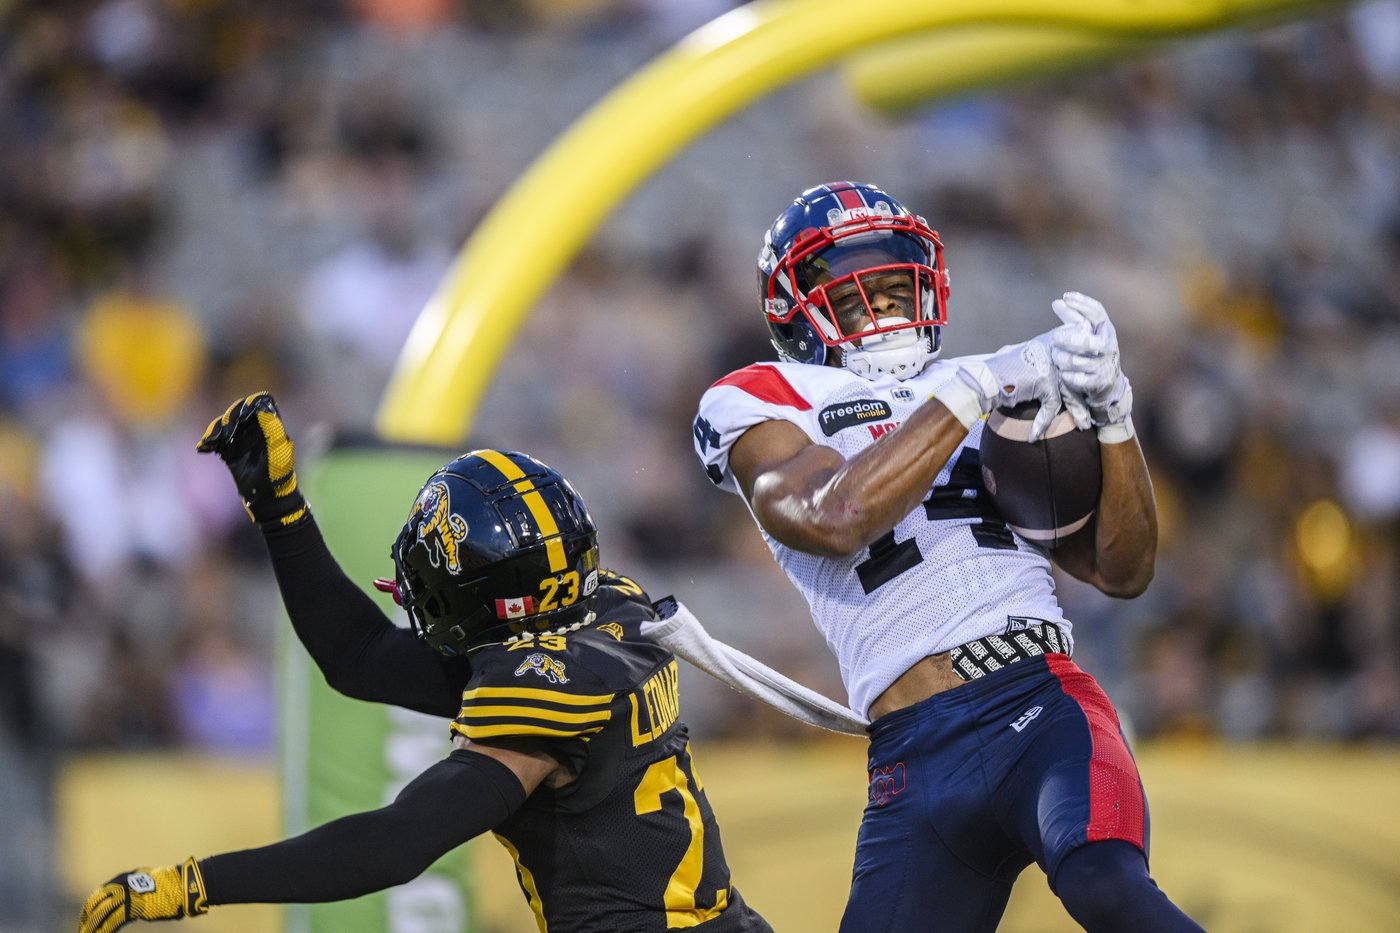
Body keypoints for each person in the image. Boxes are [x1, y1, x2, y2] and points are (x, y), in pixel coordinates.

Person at [691, 181, 1204, 932]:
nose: (884, 309)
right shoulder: (765, 396)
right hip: (912, 754)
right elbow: (835, 516)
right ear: (794, 309)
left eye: (897, 289)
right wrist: (972, 390)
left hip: (1037, 696)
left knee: (1107, 884)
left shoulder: (1000, 377)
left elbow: (1124, 569)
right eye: (856, 295)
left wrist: (1113, 415)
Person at [79, 392, 772, 933]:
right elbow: (362, 657)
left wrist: (196, 882)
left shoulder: (540, 693)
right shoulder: (611, 612)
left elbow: (395, 844)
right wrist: (281, 509)